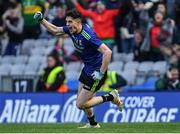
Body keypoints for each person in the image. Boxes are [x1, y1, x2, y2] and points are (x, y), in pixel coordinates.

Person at [34, 9, 123, 128]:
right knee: (84, 101)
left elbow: (108, 52)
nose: (67, 25)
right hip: (87, 68)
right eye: (66, 22)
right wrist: (41, 20)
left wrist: (101, 73)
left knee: (80, 104)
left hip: (96, 72)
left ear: (78, 21)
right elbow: (55, 30)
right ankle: (93, 123)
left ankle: (111, 96)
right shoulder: (72, 30)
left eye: (70, 22)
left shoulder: (88, 35)